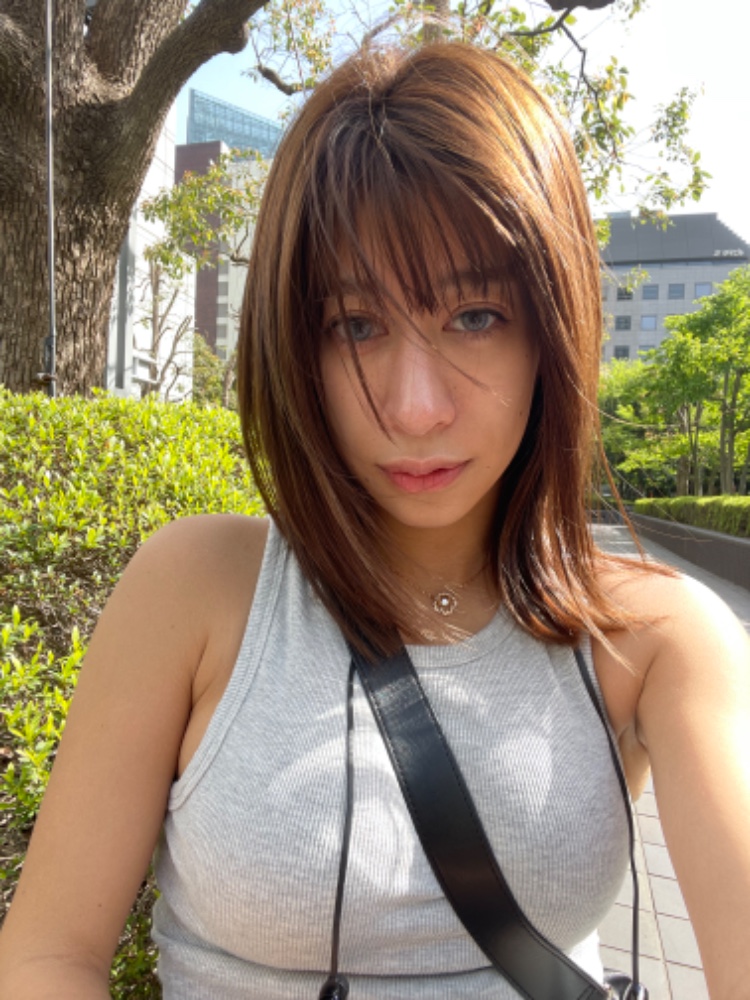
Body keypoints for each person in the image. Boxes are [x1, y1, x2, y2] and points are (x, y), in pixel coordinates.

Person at [0, 41, 749, 1000]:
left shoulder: (653, 636)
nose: (415, 408)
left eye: (475, 316)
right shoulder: (197, 590)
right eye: (355, 325)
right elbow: (49, 955)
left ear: (553, 329)